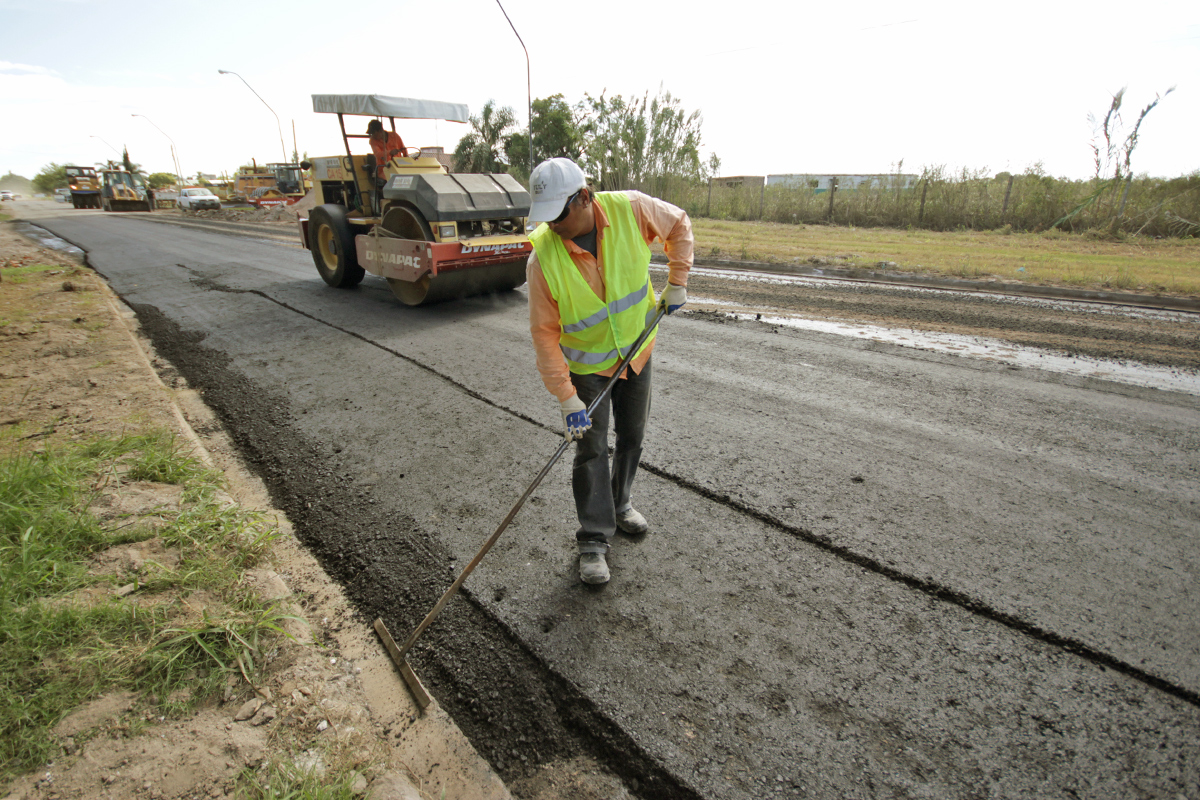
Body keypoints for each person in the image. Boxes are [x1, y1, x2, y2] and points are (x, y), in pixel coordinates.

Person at [525, 157, 692, 585]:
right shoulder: (542, 259)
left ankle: (620, 504)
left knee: (633, 435)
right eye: (545, 217)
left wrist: (678, 280)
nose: (552, 226)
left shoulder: (631, 208)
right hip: (589, 368)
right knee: (592, 448)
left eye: (558, 215)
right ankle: (594, 539)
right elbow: (545, 334)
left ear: (584, 197)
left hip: (637, 349)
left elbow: (678, 225)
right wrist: (566, 397)